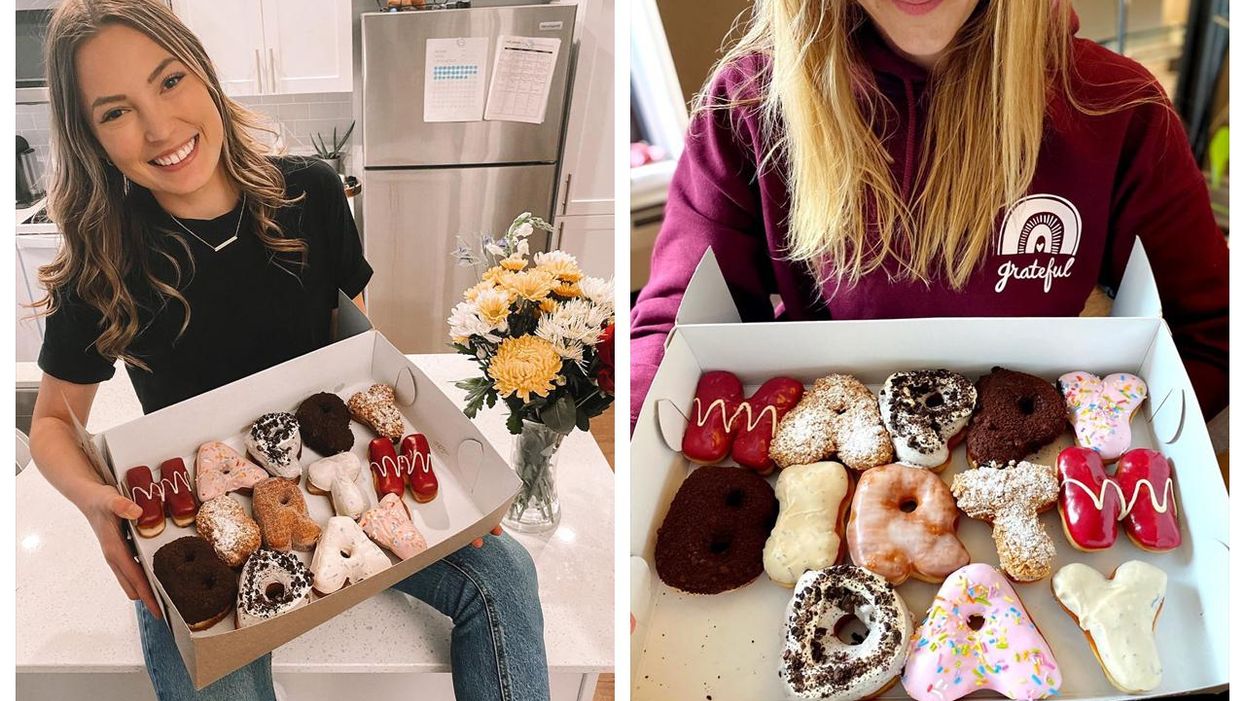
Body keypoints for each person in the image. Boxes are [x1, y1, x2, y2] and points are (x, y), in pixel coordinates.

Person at [28, 2, 549, 699]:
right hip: (199, 519)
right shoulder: (102, 259)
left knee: (505, 573)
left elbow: (357, 351)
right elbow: (53, 424)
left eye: (170, 81)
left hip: (337, 485)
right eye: (115, 112)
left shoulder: (313, 193)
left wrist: (442, 482)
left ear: (204, 74)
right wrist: (94, 501)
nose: (159, 128)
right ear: (89, 135)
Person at [630, 0, 1229, 428]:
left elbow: (1212, 334)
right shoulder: (750, 107)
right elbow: (673, 331)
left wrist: (1116, 439)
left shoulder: (1115, 106)